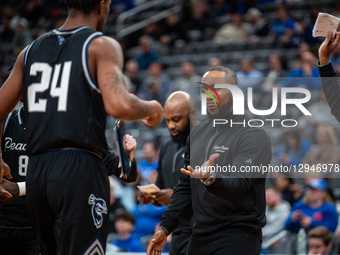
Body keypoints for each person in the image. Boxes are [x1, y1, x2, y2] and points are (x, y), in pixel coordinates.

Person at [0, 1, 163, 254]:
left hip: (38, 174)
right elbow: (119, 105)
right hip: (77, 170)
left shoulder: (29, 52)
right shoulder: (100, 45)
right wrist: (152, 107)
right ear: (102, 4)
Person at [147, 65, 272, 255]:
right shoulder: (197, 133)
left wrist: (211, 179)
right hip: (199, 236)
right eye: (204, 89)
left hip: (237, 237)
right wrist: (165, 227)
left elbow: (239, 184)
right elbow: (185, 185)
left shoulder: (253, 135)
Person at [139, 91, 196, 255]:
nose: (171, 125)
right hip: (175, 231)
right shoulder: (166, 146)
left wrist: (171, 197)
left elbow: (207, 195)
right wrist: (153, 197)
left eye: (176, 120)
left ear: (191, 114)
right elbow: (161, 187)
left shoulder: (202, 144)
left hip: (198, 232)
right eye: (168, 120)